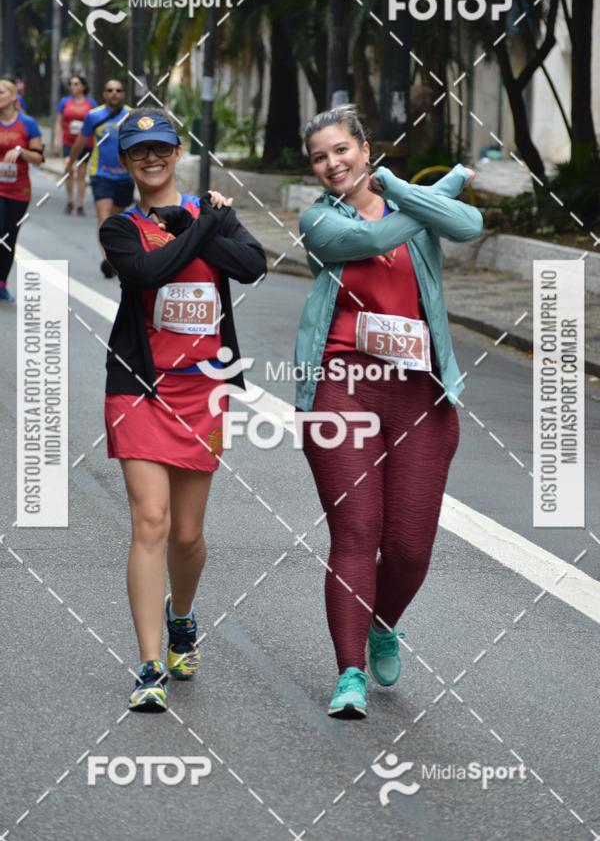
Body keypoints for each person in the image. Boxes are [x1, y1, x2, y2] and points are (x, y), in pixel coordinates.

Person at [294, 105, 483, 719]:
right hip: (342, 386)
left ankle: (382, 625)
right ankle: (349, 673)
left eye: (342, 150)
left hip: (420, 395)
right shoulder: (319, 218)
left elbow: (471, 225)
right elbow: (373, 239)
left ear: (365, 148)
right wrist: (427, 197)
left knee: (409, 550)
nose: (332, 164)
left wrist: (403, 190)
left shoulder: (407, 204)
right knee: (355, 534)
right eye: (321, 157)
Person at [99, 108, 266, 712]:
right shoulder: (121, 229)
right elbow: (148, 273)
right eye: (138, 150)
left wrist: (207, 220)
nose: (151, 158)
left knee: (189, 536)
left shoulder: (211, 212)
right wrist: (201, 224)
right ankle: (148, 666)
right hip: (138, 387)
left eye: (161, 148)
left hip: (203, 391)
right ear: (125, 160)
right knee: (152, 521)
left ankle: (182, 617)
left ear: (177, 152)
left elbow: (253, 266)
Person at [66, 78, 134, 278]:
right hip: (100, 173)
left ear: (123, 94)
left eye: (118, 90)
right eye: (110, 90)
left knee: (116, 216)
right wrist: (70, 162)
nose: (114, 93)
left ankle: (113, 251)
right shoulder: (93, 115)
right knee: (104, 217)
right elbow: (80, 141)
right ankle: (109, 259)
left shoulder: (131, 116)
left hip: (125, 177)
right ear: (104, 94)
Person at [0, 79, 44, 303]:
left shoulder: (28, 124)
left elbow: (39, 158)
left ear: (13, 96)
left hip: (19, 190)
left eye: (1, 92)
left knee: (8, 237)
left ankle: (2, 283)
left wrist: (20, 151)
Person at [53, 74, 97, 215]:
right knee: (68, 168)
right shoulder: (65, 102)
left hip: (85, 142)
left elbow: (96, 123)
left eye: (76, 83)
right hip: (68, 141)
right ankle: (69, 200)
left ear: (83, 87)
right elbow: (59, 122)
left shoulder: (91, 104)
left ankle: (80, 204)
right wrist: (56, 140)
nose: (73, 86)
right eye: (71, 84)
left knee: (82, 171)